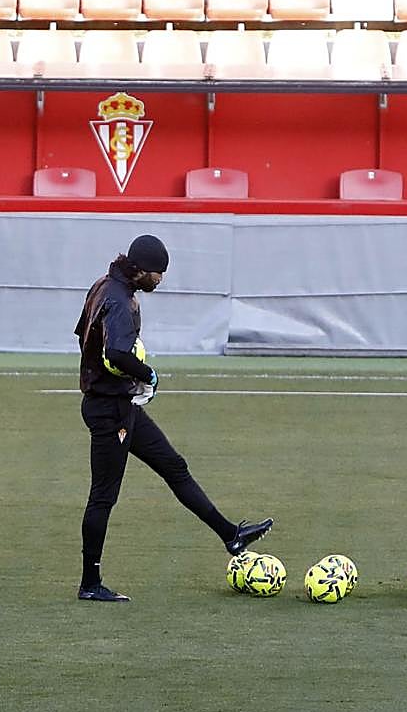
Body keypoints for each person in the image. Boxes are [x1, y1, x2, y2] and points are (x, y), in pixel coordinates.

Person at [74, 234, 272, 602]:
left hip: (120, 404)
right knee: (103, 496)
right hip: (109, 411)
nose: (160, 279)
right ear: (141, 270)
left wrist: (124, 381)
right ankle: (90, 583)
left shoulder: (104, 285)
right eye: (158, 273)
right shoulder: (119, 300)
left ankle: (231, 535)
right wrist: (146, 374)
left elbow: (83, 336)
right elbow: (115, 352)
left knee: (174, 466)